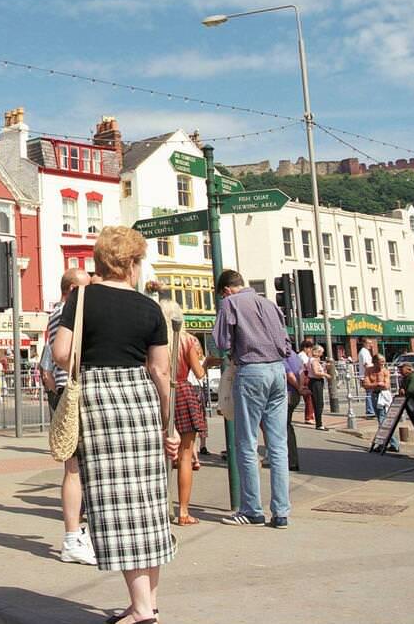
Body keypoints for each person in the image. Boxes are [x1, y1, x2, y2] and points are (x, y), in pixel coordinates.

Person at [53, 227, 176, 624]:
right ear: (131, 263)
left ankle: (142, 610)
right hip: (140, 401)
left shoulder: (82, 298)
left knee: (116, 506)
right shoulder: (150, 308)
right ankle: (147, 604)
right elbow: (160, 371)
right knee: (148, 504)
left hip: (98, 401)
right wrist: (168, 425)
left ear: (103, 261)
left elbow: (61, 353)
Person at [212, 269, 291, 528]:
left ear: (225, 290)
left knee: (246, 443)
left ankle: (251, 509)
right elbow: (286, 343)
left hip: (251, 370)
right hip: (277, 370)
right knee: (277, 445)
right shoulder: (268, 303)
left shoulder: (230, 303)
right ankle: (281, 513)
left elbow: (222, 341)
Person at [39, 268, 96, 564]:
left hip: (66, 390)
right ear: (73, 288)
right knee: (74, 467)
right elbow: (67, 352)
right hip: (73, 391)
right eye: (87, 287)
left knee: (77, 467)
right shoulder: (67, 311)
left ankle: (79, 534)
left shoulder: (59, 311)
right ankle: (73, 537)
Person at [173, 325, 208, 525]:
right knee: (185, 455)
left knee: (159, 455)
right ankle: (183, 511)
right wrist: (208, 363)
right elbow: (199, 373)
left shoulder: (155, 338)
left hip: (159, 392)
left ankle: (160, 507)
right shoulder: (187, 341)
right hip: (183, 391)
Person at [363, 353, 398, 452]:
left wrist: (374, 384)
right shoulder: (369, 370)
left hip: (384, 396)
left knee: (383, 419)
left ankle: (386, 443)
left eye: (383, 361)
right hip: (375, 395)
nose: (383, 363)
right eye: (381, 361)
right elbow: (366, 384)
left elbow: (386, 386)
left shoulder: (385, 371)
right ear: (374, 362)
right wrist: (378, 384)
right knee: (381, 419)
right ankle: (392, 443)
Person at [282, 344, 304, 471]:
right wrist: (300, 388)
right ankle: (292, 460)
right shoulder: (295, 356)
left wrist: (298, 387)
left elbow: (289, 375)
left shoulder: (283, 356)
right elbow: (301, 373)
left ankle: (289, 460)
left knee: (284, 427)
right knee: (287, 425)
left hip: (288, 393)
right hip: (294, 394)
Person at [306, 345, 330, 431]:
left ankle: (319, 423)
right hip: (315, 382)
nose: (322, 354)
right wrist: (325, 375)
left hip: (316, 382)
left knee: (319, 403)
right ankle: (319, 424)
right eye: (321, 352)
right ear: (316, 352)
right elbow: (316, 372)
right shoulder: (313, 360)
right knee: (318, 403)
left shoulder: (315, 360)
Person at [297, 338, 316, 423]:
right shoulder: (302, 355)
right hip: (305, 376)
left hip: (305, 375)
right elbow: (306, 366)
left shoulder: (302, 355)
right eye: (309, 348)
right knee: (309, 397)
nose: (310, 350)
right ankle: (309, 417)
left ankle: (310, 416)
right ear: (305, 348)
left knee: (309, 397)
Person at [357, 339, 375, 416]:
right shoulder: (364, 352)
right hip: (366, 375)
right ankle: (370, 411)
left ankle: (371, 410)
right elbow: (366, 364)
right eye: (369, 343)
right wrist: (372, 373)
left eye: (371, 343)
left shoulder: (365, 351)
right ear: (364, 343)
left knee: (371, 393)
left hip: (366, 374)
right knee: (369, 393)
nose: (371, 345)